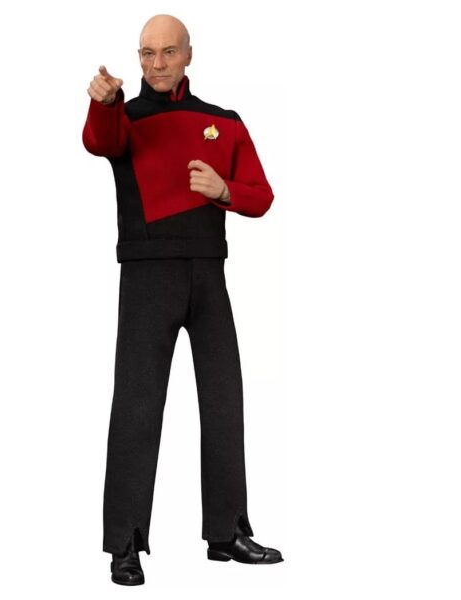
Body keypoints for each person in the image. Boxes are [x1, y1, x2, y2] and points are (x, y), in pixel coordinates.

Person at [82, 13, 283, 586]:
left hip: (209, 273)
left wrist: (225, 191)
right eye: (147, 53)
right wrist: (101, 101)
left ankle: (228, 532)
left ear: (188, 55)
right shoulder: (125, 117)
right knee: (137, 407)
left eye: (168, 51)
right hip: (148, 277)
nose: (157, 63)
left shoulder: (223, 121)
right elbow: (100, 141)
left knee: (224, 401)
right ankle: (124, 542)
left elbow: (262, 195)